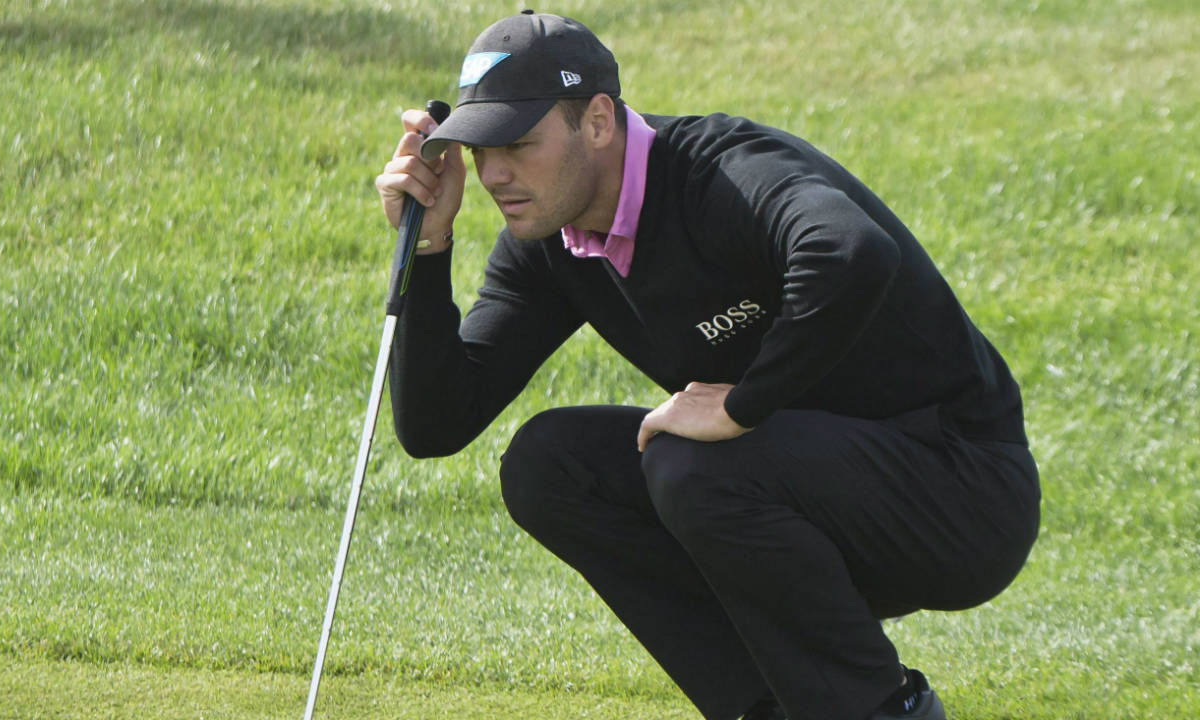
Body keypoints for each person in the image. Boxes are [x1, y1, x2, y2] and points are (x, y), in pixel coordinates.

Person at [374, 10, 1040, 720]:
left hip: (959, 494)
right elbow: (437, 423)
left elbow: (850, 251)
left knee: (692, 466)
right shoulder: (550, 244)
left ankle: (881, 709)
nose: (495, 174)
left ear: (597, 121)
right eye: (480, 150)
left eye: (517, 143)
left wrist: (741, 405)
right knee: (549, 466)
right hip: (798, 512)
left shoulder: (722, 172)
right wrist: (428, 245)